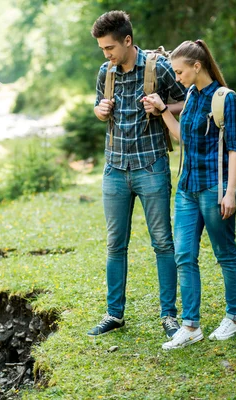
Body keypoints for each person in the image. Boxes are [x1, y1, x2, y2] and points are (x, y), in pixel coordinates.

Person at [87, 10, 187, 338]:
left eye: (109, 48)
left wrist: (162, 107)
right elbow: (101, 108)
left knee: (163, 243)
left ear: (127, 41)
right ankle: (114, 315)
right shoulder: (106, 72)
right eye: (102, 49)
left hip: (151, 167)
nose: (106, 54)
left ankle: (169, 316)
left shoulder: (159, 68)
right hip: (114, 169)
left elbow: (189, 103)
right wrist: (99, 111)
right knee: (115, 244)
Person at [142, 39, 236, 349]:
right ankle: (190, 326)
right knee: (184, 255)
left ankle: (234, 319)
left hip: (215, 190)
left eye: (180, 71)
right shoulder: (190, 94)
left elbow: (235, 148)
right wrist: (162, 111)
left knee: (225, 254)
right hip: (187, 188)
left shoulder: (225, 99)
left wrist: (230, 193)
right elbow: (183, 136)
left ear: (197, 66)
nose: (177, 77)